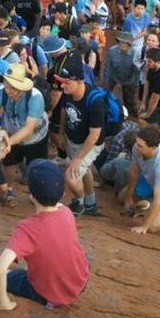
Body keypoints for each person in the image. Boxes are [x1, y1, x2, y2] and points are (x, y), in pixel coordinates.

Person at [0, 160, 89, 310]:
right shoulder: (67, 213)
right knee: (23, 269)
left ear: (31, 196)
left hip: (48, 295)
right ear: (62, 194)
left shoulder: (27, 228)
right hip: (80, 283)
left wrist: (3, 302)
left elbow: (0, 269)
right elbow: (57, 210)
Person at [0, 64, 49, 200]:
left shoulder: (36, 97)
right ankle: (7, 189)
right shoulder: (1, 91)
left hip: (35, 137)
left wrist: (6, 143)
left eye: (12, 86)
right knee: (8, 164)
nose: (7, 89)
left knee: (35, 167)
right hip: (11, 131)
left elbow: (29, 129)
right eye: (6, 84)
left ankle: (37, 195)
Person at [55, 52, 107, 217]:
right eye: (61, 83)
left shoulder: (95, 100)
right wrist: (62, 134)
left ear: (79, 81)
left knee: (71, 176)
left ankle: (80, 202)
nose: (62, 86)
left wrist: (78, 158)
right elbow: (64, 111)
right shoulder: (68, 92)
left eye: (66, 83)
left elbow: (94, 135)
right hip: (73, 139)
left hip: (91, 144)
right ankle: (90, 203)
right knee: (83, 171)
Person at [104, 32, 138, 117]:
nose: (121, 44)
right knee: (105, 93)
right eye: (120, 41)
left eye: (124, 42)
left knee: (129, 100)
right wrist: (106, 81)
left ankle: (130, 114)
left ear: (129, 44)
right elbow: (107, 68)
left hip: (128, 79)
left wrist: (136, 84)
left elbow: (136, 71)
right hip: (113, 77)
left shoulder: (135, 54)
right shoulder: (112, 51)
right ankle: (104, 109)